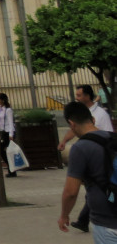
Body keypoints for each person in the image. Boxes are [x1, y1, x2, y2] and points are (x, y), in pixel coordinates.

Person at [59, 99, 117, 242]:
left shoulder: (80, 148)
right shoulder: (114, 138)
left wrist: (64, 215)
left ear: (72, 124)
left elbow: (71, 192)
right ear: (93, 119)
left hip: (107, 223)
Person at [0, 92, 17, 177]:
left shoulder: (8, 110)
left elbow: (11, 122)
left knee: (6, 151)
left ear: (3, 100)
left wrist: (11, 134)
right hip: (2, 132)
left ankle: (12, 170)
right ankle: (11, 169)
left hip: (8, 132)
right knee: (2, 151)